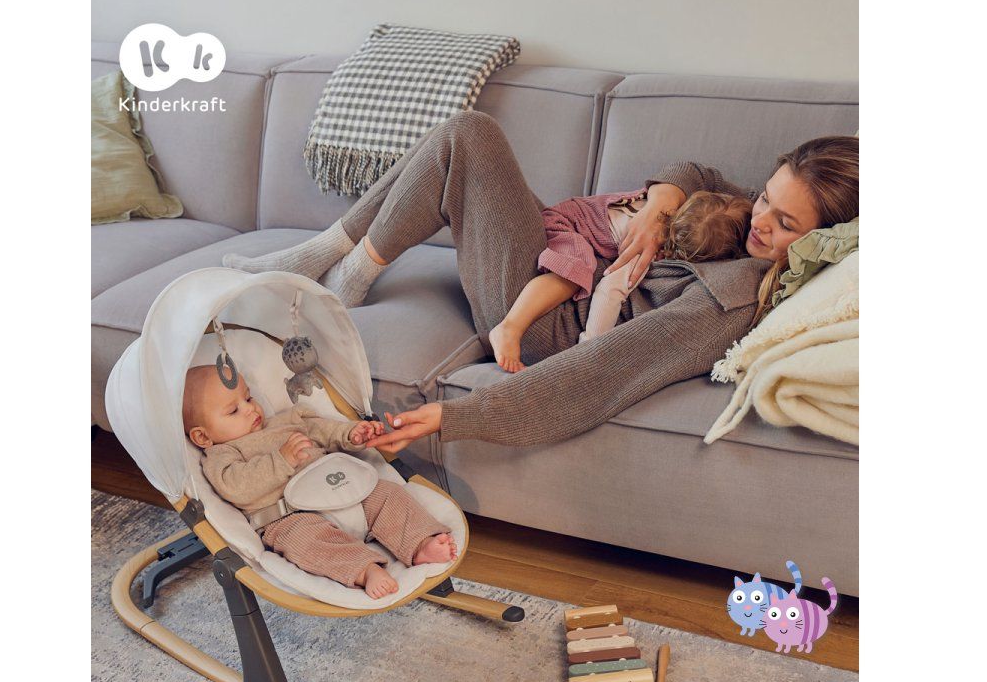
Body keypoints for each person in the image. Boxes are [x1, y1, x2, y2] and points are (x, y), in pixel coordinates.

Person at [224, 111, 859, 452]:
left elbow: (610, 368)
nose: (759, 220)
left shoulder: (735, 296)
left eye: (785, 223)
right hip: (561, 266)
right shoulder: (752, 221)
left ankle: (337, 267)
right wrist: (662, 203)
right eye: (766, 198)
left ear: (826, 240)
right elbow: (698, 171)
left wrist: (461, 415)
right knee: (456, 138)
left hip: (548, 324)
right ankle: (330, 257)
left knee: (470, 135)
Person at [182, 365, 457, 599]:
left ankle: (419, 543)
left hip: (345, 489)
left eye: (248, 397)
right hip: (291, 517)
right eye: (233, 411)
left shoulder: (288, 421)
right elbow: (236, 487)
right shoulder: (222, 455)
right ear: (202, 437)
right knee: (305, 544)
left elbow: (325, 430)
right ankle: (365, 570)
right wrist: (281, 460)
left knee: (388, 495)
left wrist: (352, 434)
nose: (250, 409)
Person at [489, 191, 754, 372]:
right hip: (566, 225)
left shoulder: (667, 203)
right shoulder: (646, 245)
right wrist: (590, 346)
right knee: (574, 273)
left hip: (573, 211)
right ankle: (510, 327)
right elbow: (610, 291)